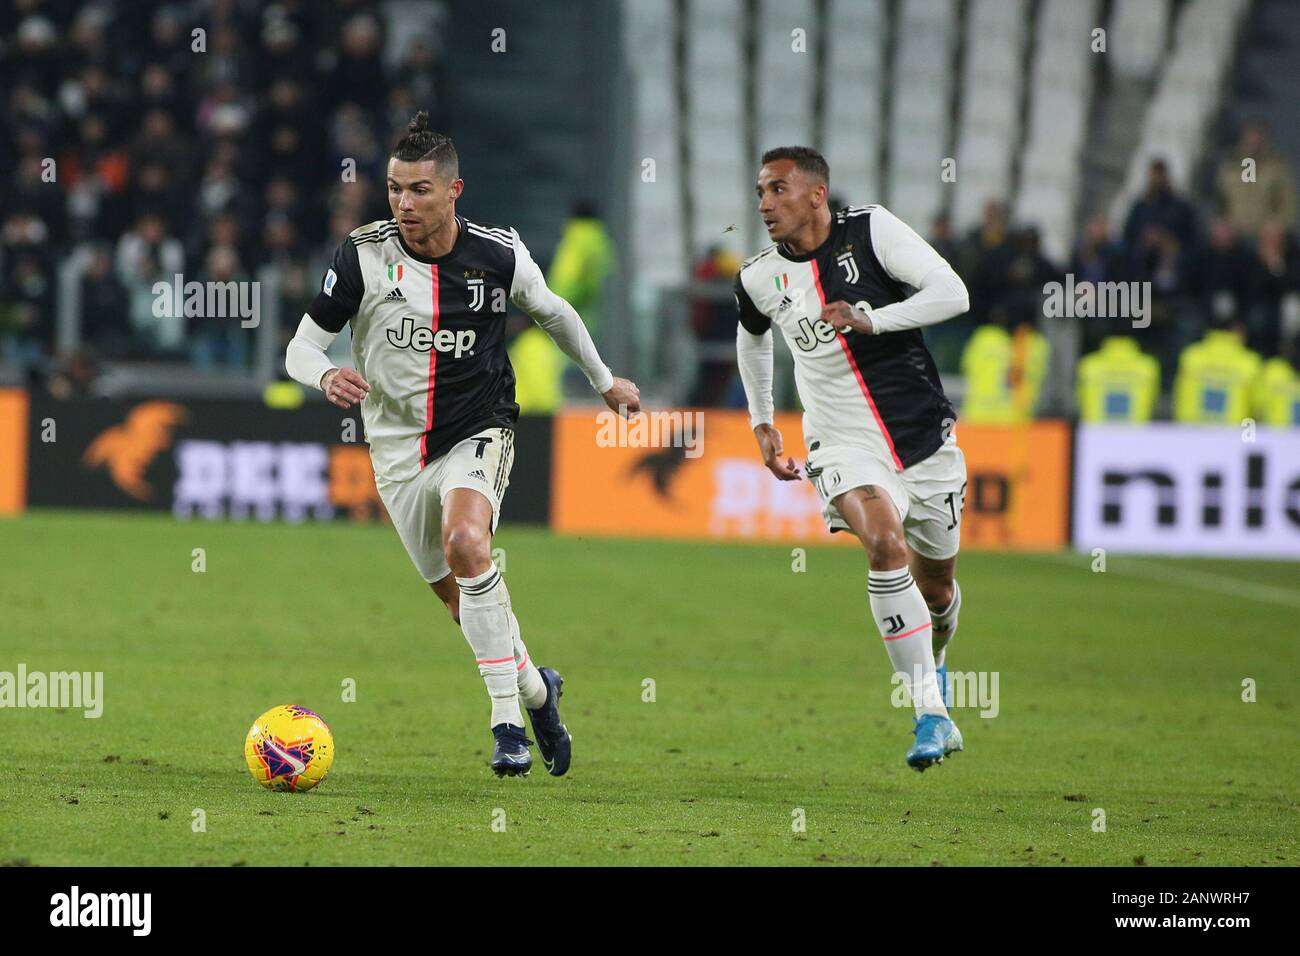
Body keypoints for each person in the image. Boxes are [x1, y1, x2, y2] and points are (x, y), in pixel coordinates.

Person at [284, 113, 641, 777]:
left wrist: (602, 380)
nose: (403, 204)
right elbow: (299, 347)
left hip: (479, 425)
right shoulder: (363, 255)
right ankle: (538, 690)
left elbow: (555, 312)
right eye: (394, 189)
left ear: (454, 191)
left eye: (418, 190)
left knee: (469, 544)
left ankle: (506, 722)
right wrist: (325, 371)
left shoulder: (498, 254)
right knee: (459, 598)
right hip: (395, 448)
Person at [734, 146, 971, 771]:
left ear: (816, 194)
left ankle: (937, 664)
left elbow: (954, 294)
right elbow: (752, 334)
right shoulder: (760, 277)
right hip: (842, 445)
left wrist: (871, 319)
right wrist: (763, 422)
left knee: (939, 589)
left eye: (777, 190)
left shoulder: (870, 230)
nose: (763, 204)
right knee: (883, 544)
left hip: (924, 442)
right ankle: (929, 714)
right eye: (759, 191)